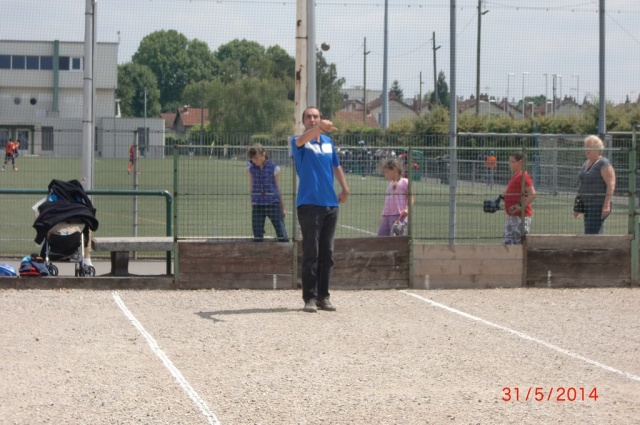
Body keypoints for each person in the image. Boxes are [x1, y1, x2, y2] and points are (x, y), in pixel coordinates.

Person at [291, 106, 350, 313]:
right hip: (309, 204)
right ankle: (310, 297)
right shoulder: (299, 141)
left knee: (327, 253)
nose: (312, 119)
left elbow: (336, 165)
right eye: (309, 117)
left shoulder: (328, 142)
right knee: (311, 252)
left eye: (316, 116)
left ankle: (324, 297)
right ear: (303, 121)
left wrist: (345, 188)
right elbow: (303, 139)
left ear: (321, 118)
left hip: (330, 204)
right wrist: (320, 128)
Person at [246, 143, 288, 242]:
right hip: (257, 205)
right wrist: (253, 205)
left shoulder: (274, 167)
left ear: (263, 154)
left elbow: (277, 188)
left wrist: (282, 207)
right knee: (257, 238)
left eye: (256, 158)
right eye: (253, 158)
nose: (254, 160)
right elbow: (251, 188)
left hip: (273, 203)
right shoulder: (250, 168)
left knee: (282, 236)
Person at [574, 135, 616, 235]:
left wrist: (606, 205)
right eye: (586, 146)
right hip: (587, 204)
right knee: (590, 232)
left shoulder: (604, 164)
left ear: (597, 149)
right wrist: (578, 206)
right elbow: (582, 184)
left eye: (590, 147)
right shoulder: (586, 163)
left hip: (598, 204)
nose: (587, 150)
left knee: (591, 232)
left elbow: (611, 184)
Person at [502, 151, 536, 245]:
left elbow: (532, 194)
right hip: (513, 216)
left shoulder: (523, 176)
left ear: (520, 162)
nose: (510, 164)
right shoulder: (516, 175)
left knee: (518, 244)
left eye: (512, 162)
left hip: (521, 217)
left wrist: (521, 206)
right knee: (507, 243)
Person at [377, 158, 414, 236]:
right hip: (387, 216)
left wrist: (408, 209)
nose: (385, 174)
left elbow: (411, 197)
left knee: (396, 239)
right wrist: (383, 215)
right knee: (380, 238)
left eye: (387, 172)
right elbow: (388, 201)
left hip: (399, 216)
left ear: (395, 170)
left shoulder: (405, 182)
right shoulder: (390, 184)